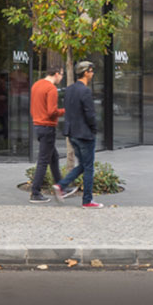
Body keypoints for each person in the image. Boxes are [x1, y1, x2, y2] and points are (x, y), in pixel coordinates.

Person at [55, 60, 102, 207]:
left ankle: (61, 185)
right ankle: (87, 200)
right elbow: (90, 114)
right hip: (85, 134)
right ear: (86, 72)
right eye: (91, 71)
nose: (93, 74)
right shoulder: (85, 91)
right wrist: (94, 129)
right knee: (88, 168)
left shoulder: (69, 89)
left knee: (83, 165)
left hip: (72, 134)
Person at [28, 65, 64, 202]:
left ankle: (61, 187)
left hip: (38, 125)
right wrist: (65, 111)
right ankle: (35, 193)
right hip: (48, 127)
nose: (62, 78)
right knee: (43, 161)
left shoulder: (36, 85)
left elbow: (33, 108)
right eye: (62, 74)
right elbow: (52, 112)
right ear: (56, 74)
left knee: (54, 157)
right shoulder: (51, 89)